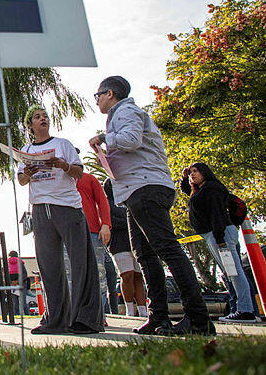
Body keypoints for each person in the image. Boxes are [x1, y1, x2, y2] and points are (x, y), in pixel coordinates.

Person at [89, 76, 213, 336]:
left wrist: (103, 137)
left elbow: (131, 139)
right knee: (144, 255)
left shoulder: (126, 111)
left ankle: (198, 318)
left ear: (109, 93)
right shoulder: (120, 116)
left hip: (146, 188)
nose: (97, 100)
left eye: (97, 95)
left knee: (167, 249)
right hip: (134, 190)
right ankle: (159, 317)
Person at [18, 105, 102, 335]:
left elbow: (79, 173)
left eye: (45, 116)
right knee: (49, 265)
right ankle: (55, 320)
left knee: (80, 262)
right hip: (40, 209)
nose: (42, 119)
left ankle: (86, 319)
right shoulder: (25, 150)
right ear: (30, 125)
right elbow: (22, 180)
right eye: (37, 117)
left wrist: (63, 165)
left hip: (67, 207)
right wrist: (29, 172)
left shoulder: (63, 144)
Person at [181, 162, 258, 323]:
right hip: (214, 235)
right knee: (230, 273)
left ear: (205, 172)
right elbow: (189, 193)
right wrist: (184, 177)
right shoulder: (201, 190)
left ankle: (246, 311)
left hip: (220, 234)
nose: (192, 175)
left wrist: (220, 238)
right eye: (191, 173)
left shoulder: (212, 189)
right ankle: (239, 309)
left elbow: (217, 214)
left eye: (196, 171)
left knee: (234, 272)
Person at [103, 179, 147, 317]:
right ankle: (129, 310)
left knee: (139, 276)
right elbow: (112, 222)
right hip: (118, 244)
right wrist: (128, 223)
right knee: (126, 275)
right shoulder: (107, 204)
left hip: (135, 242)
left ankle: (143, 310)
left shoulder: (127, 201)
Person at [74, 168, 112, 321]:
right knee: (70, 274)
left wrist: (106, 224)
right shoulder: (59, 182)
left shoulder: (89, 179)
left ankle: (99, 315)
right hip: (69, 233)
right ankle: (74, 315)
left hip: (93, 231)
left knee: (98, 273)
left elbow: (102, 201)